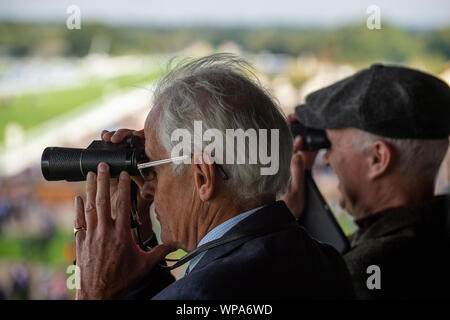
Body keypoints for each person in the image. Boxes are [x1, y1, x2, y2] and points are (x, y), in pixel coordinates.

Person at [73, 54, 354, 300]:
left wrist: (95, 291)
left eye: (153, 171)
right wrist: (139, 238)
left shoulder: (202, 293)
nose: (146, 191)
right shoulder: (325, 261)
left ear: (203, 178)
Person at [283, 64, 450, 299]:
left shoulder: (366, 271)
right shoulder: (434, 234)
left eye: (329, 145)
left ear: (377, 158)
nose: (327, 160)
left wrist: (280, 224)